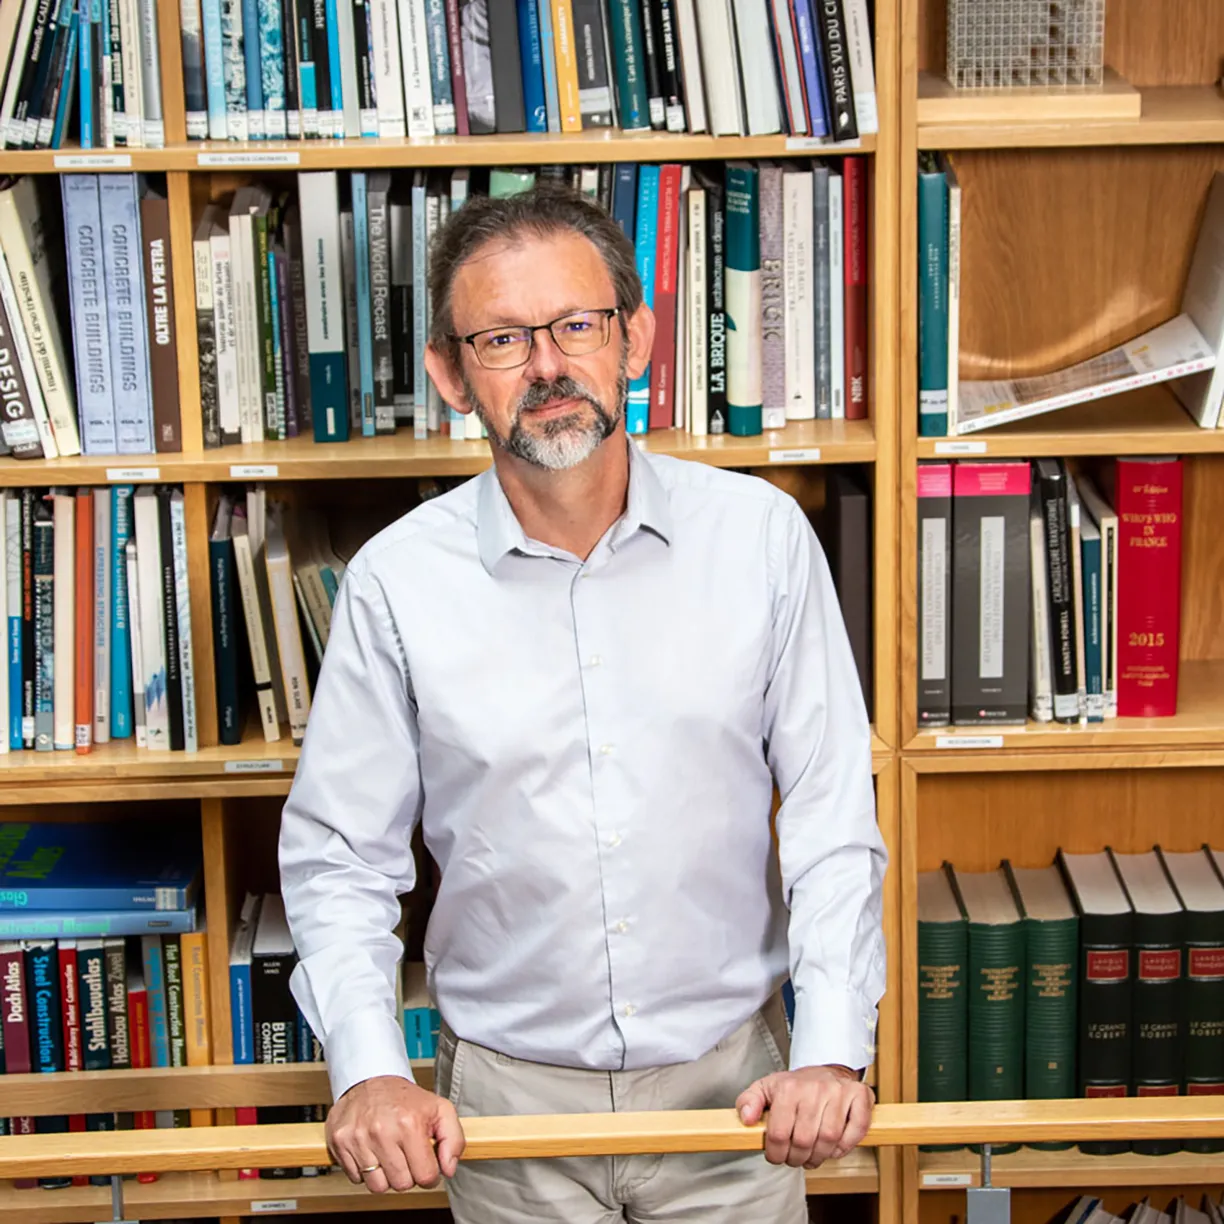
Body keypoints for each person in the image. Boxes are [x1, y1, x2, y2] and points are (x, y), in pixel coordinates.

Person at [278, 181, 887, 1224]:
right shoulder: (395, 584)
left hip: (736, 1100)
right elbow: (342, 855)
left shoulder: (763, 543)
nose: (550, 365)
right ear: (451, 375)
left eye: (576, 324)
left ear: (636, 337)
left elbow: (833, 822)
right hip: (507, 1115)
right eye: (504, 339)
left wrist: (832, 1049)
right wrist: (370, 1069)